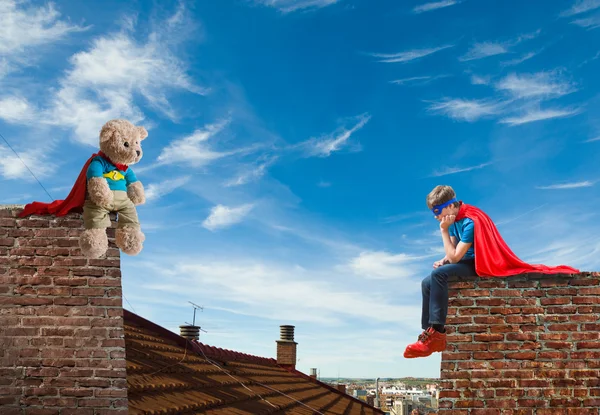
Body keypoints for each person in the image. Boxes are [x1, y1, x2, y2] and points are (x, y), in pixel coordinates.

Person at [404, 185, 580, 359]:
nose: (436, 217)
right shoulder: (452, 221)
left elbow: (456, 258)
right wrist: (444, 259)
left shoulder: (470, 221)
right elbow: (451, 252)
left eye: (437, 211)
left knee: (438, 275)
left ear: (450, 206)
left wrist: (443, 230)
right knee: (426, 282)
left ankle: (438, 332)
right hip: (464, 258)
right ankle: (428, 333)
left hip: (480, 262)